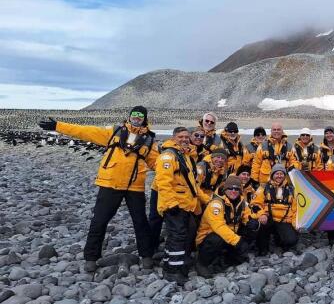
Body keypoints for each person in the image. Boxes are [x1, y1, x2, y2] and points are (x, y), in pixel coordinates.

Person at [38, 106, 159, 272]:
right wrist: (58, 126)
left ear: (144, 119)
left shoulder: (149, 140)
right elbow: (85, 131)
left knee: (140, 222)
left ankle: (147, 256)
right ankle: (91, 258)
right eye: (134, 114)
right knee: (99, 221)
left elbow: (158, 163)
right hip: (110, 183)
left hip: (134, 186)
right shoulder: (114, 131)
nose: (136, 118)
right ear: (129, 116)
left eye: (140, 116)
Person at [155, 127, 203, 284]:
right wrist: (171, 203)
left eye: (186, 137)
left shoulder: (185, 155)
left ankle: (171, 262)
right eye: (180, 136)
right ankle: (173, 271)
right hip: (174, 205)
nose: (184, 139)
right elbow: (163, 182)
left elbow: (191, 184)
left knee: (181, 234)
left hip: (185, 204)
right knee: (178, 236)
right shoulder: (168, 156)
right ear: (174, 137)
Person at [195, 176, 252, 277]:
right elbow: (219, 227)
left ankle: (225, 258)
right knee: (217, 238)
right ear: (225, 189)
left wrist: (254, 221)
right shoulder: (216, 204)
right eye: (230, 188)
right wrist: (237, 241)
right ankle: (202, 263)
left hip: (229, 236)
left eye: (236, 189)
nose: (233, 191)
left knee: (252, 227)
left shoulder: (241, 203)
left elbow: (248, 215)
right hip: (209, 238)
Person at [250, 164, 299, 255]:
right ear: (272, 175)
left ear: (285, 175)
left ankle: (280, 240)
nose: (279, 176)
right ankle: (262, 248)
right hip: (268, 218)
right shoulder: (263, 188)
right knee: (259, 224)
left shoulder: (292, 189)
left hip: (284, 220)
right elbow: (255, 204)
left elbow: (295, 209)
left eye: (281, 173)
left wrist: (295, 225)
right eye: (277, 173)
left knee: (291, 240)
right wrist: (262, 214)